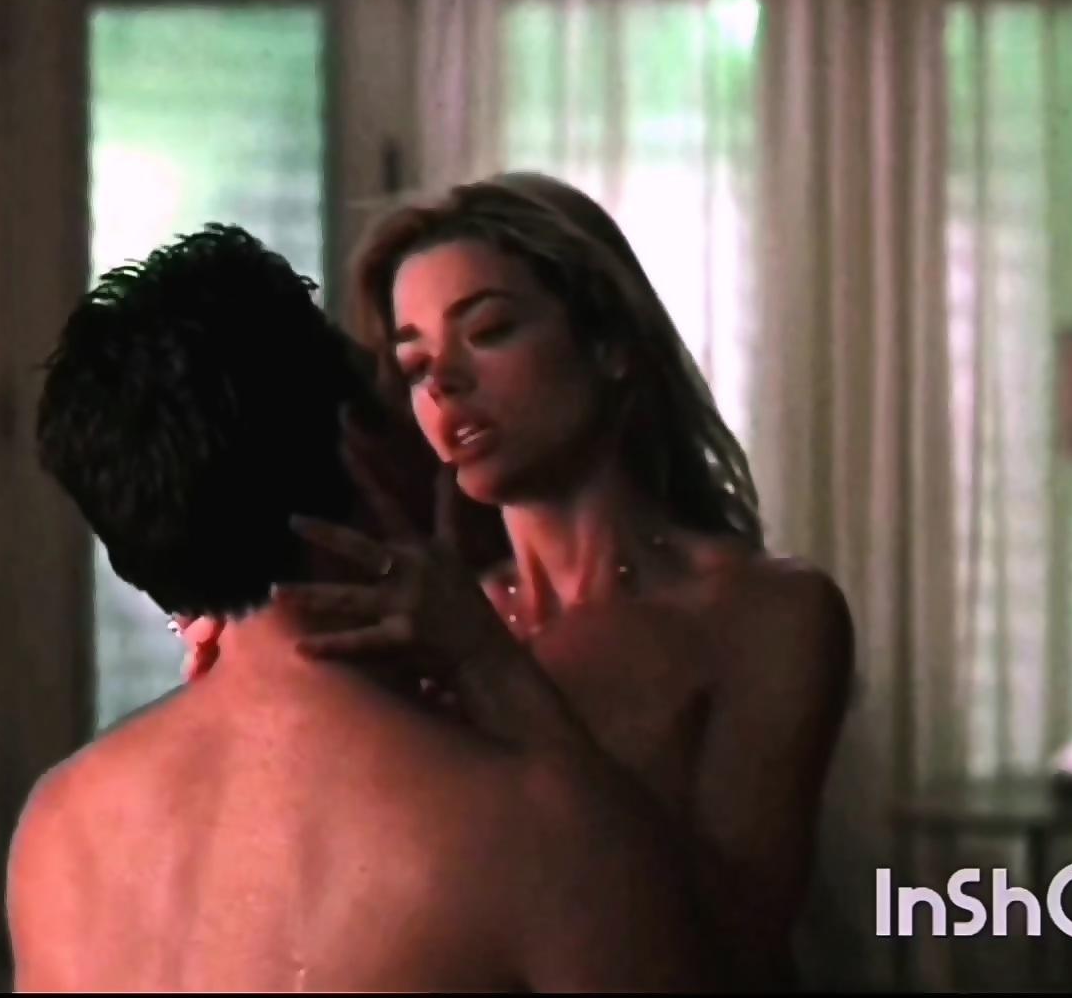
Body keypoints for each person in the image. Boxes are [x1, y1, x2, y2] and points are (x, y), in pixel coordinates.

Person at [13, 224, 715, 992]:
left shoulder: (59, 829)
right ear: (360, 444)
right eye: (396, 384)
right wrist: (496, 672)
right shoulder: (533, 833)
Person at [271, 171, 854, 985]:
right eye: (414, 363)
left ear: (609, 343)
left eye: (489, 330)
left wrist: (493, 671)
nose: (443, 382)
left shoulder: (765, 613)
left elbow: (735, 952)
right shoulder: (421, 623)